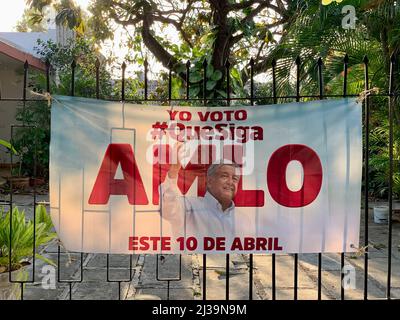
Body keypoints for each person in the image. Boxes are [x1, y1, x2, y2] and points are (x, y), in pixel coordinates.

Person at [160, 143, 251, 244]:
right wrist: (173, 172)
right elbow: (168, 209)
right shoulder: (189, 207)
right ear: (210, 181)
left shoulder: (243, 220)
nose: (230, 182)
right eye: (224, 176)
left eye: (234, 179)